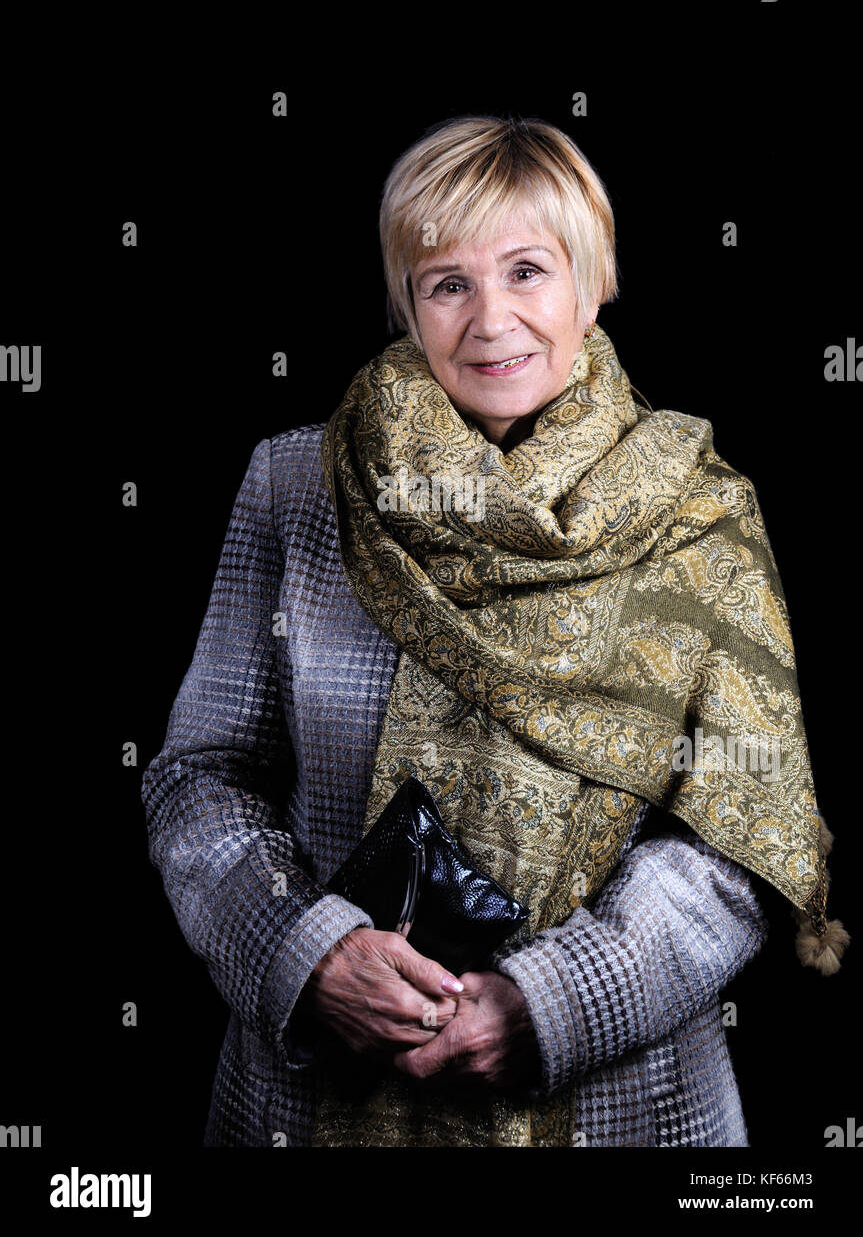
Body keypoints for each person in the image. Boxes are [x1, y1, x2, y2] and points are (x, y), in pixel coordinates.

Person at [141, 114, 847, 1148]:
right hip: (304, 1101)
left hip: (624, 1112)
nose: (490, 321)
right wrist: (308, 952)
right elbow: (198, 773)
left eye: (526, 270)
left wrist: (548, 1004)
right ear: (407, 305)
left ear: (593, 282)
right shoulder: (298, 484)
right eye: (447, 283)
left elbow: (738, 834)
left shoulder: (698, 519)